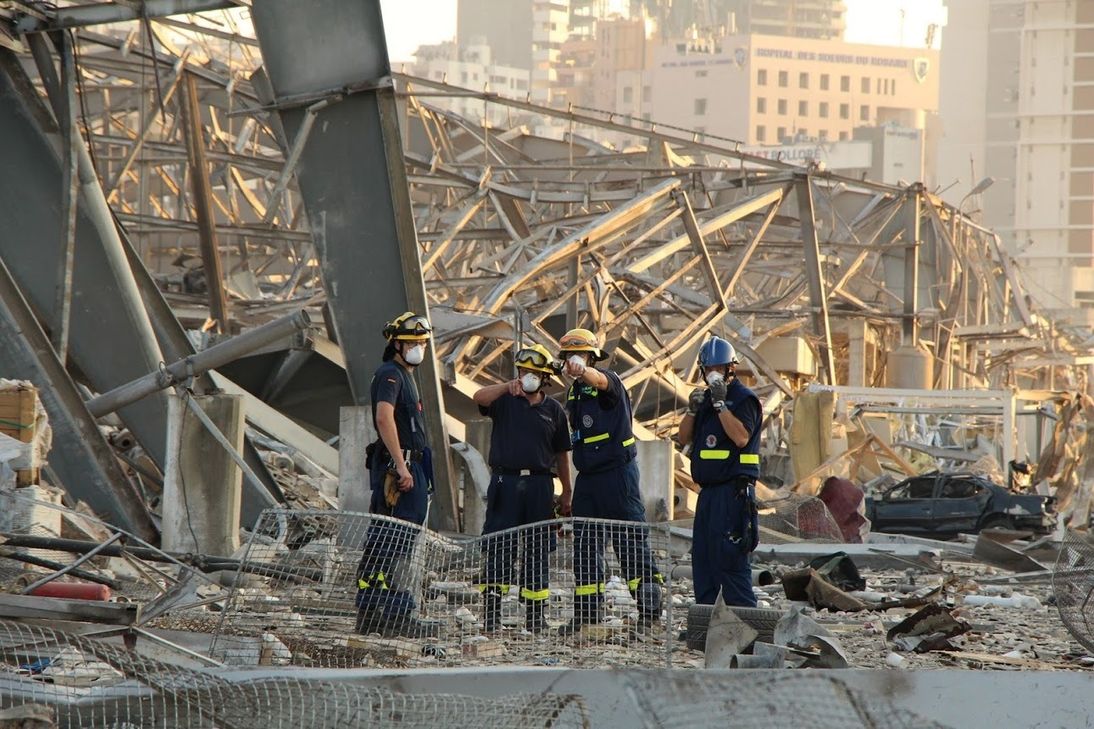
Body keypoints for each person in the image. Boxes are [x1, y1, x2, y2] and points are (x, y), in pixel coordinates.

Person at [556, 328, 663, 635]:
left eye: (580, 356)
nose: (573, 362)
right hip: (588, 480)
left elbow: (599, 381)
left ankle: (650, 613)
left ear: (591, 357)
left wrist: (584, 370)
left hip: (618, 476)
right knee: (586, 550)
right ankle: (588, 617)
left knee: (630, 545)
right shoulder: (574, 392)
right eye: (568, 356)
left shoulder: (609, 381)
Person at [472, 344, 572, 633]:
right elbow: (478, 397)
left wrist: (566, 491)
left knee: (538, 550)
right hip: (506, 482)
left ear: (544, 378)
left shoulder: (554, 410)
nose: (526, 376)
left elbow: (562, 454)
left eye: (533, 372)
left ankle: (535, 618)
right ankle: (492, 616)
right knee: (499, 547)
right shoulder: (504, 401)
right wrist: (506, 386)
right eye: (523, 371)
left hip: (541, 485)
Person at [354, 311, 439, 638]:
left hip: (412, 465)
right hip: (401, 468)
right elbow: (384, 418)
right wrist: (402, 466)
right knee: (393, 542)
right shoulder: (390, 374)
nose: (419, 348)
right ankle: (393, 614)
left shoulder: (405, 375)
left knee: (390, 544)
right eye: (413, 342)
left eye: (423, 342)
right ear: (397, 344)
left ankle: (376, 613)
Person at [678, 336, 761, 608]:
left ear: (730, 369)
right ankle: (706, 626)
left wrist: (721, 406)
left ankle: (745, 626)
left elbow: (740, 438)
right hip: (708, 493)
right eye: (709, 368)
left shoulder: (744, 399)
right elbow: (683, 438)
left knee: (730, 561)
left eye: (719, 368)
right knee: (703, 559)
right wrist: (692, 410)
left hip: (733, 493)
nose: (714, 373)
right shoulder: (704, 402)